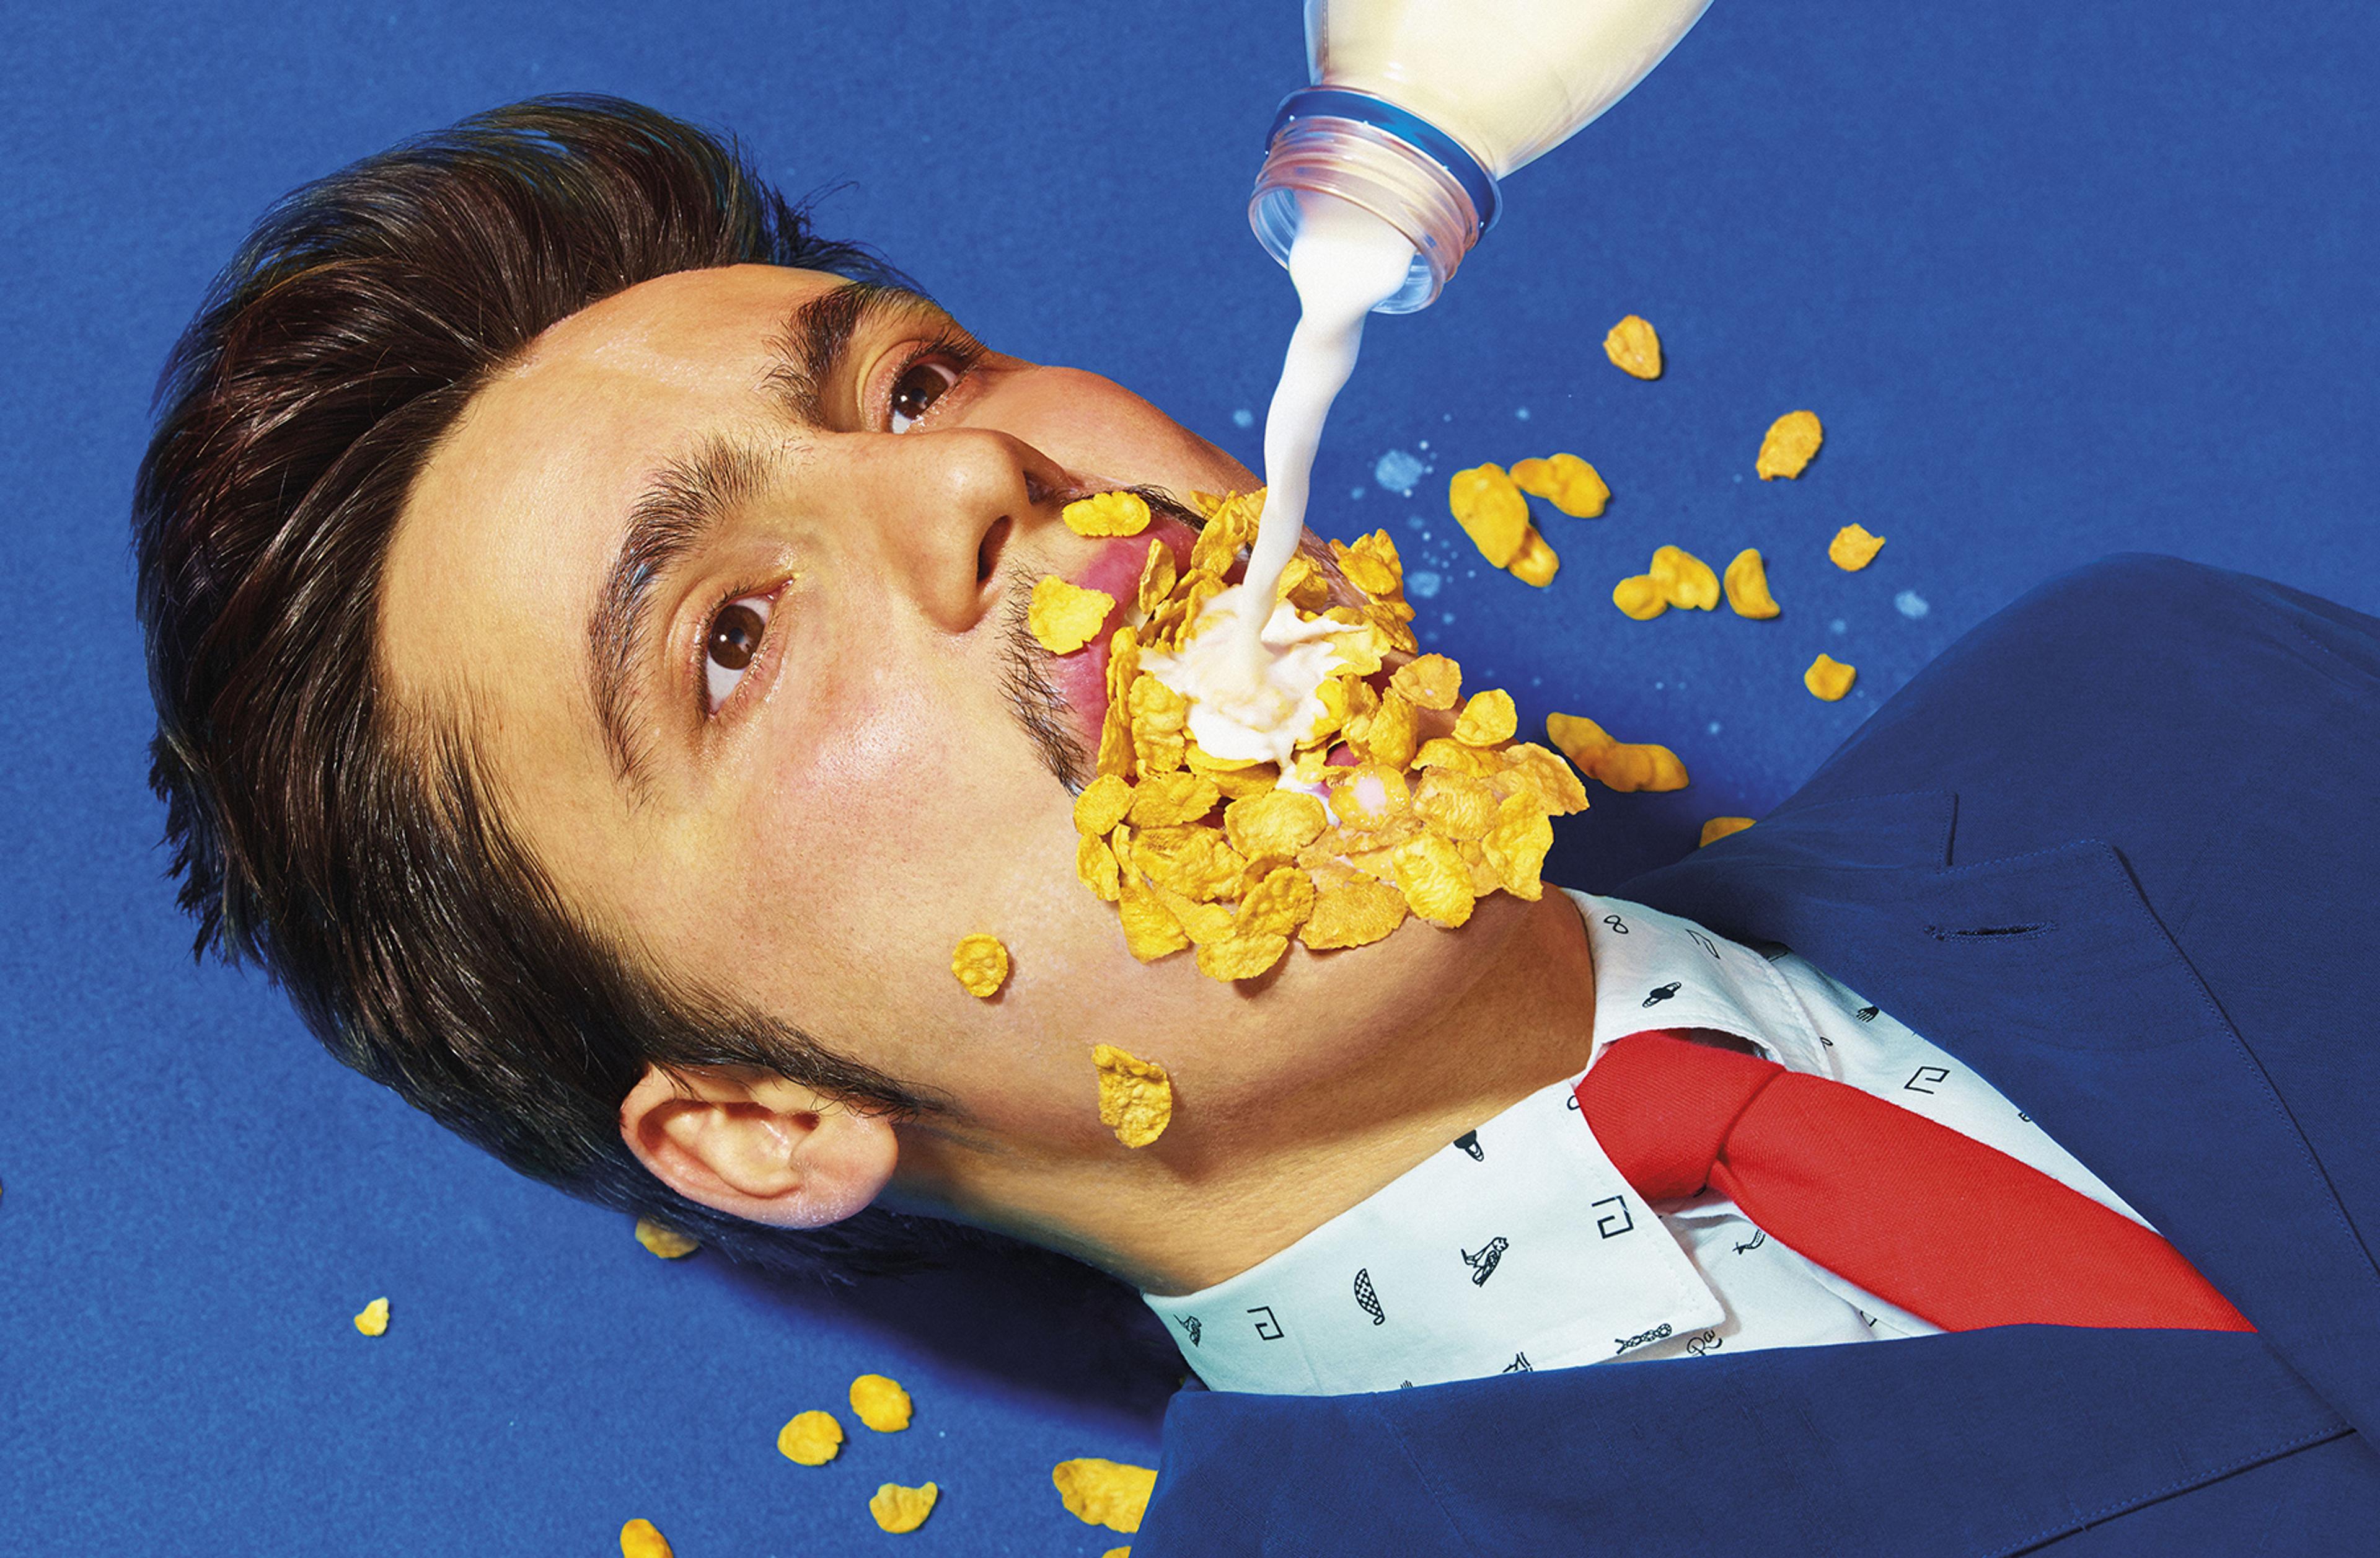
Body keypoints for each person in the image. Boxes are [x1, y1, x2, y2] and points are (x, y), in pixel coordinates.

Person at [134, 96, 2380, 1552]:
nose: (966, 477)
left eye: (911, 376)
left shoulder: (2167, 692)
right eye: (725, 635)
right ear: (751, 1116)